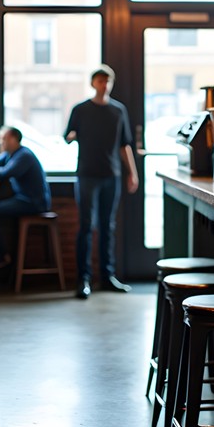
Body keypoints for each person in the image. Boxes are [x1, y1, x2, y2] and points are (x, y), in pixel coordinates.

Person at [64, 64, 139, 299]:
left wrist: (132, 173)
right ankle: (83, 279)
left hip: (112, 175)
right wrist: (72, 136)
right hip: (87, 174)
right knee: (86, 226)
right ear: (93, 84)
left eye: (107, 81)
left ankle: (108, 277)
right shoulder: (80, 109)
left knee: (108, 227)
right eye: (100, 81)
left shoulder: (118, 111)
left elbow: (125, 144)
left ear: (111, 84)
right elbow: (67, 135)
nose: (103, 85)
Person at [0, 126, 51, 272]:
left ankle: (0, 256)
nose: (0, 142)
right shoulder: (9, 154)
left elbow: (6, 172)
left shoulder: (24, 155)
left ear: (14, 139)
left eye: (3, 138)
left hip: (34, 203)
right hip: (23, 199)